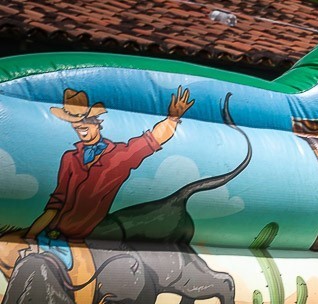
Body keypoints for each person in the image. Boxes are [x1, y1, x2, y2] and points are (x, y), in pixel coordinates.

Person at [25, 86, 194, 268]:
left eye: (85, 123)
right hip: (52, 234)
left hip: (85, 239)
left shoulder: (119, 156)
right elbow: (56, 202)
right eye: (75, 125)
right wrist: (30, 235)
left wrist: (172, 119)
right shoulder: (70, 158)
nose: (79, 128)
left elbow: (152, 140)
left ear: (97, 123)